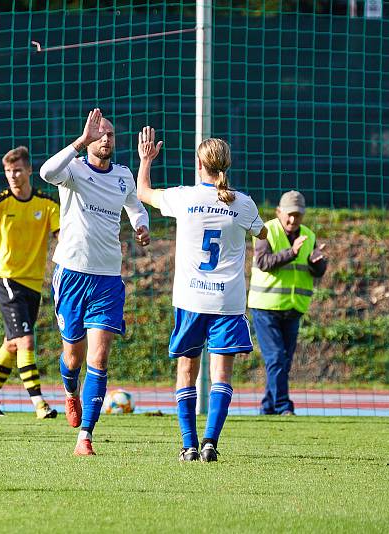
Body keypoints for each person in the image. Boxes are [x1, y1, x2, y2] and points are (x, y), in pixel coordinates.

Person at [136, 128, 267, 462]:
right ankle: (211, 442)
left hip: (191, 300)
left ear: (199, 165)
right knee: (221, 376)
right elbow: (263, 233)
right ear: (227, 165)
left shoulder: (184, 197)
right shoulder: (244, 204)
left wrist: (146, 160)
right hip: (227, 301)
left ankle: (188, 445)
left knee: (186, 372)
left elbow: (143, 191)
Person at [39, 108, 151, 456]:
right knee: (73, 358)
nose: (106, 139)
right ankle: (70, 393)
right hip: (72, 275)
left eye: (110, 134)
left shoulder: (123, 175)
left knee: (99, 359)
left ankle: (85, 436)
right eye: (99, 133)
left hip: (107, 280)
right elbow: (45, 172)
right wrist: (79, 141)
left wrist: (141, 225)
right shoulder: (73, 170)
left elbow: (135, 206)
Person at [0, 146, 60, 419]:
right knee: (26, 342)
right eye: (8, 171)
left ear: (29, 170)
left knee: (12, 343)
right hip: (6, 279)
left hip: (32, 283)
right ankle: (40, 404)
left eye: (18, 170)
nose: (13, 176)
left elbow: (61, 236)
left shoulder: (46, 203)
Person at [248, 190, 328, 416]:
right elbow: (263, 262)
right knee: (276, 358)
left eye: (298, 215)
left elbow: (316, 270)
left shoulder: (310, 236)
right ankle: (284, 407)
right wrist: (292, 252)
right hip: (266, 306)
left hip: (293, 307)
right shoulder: (266, 231)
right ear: (279, 212)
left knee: (283, 362)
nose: (293, 220)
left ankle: (268, 407)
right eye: (289, 215)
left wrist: (317, 263)